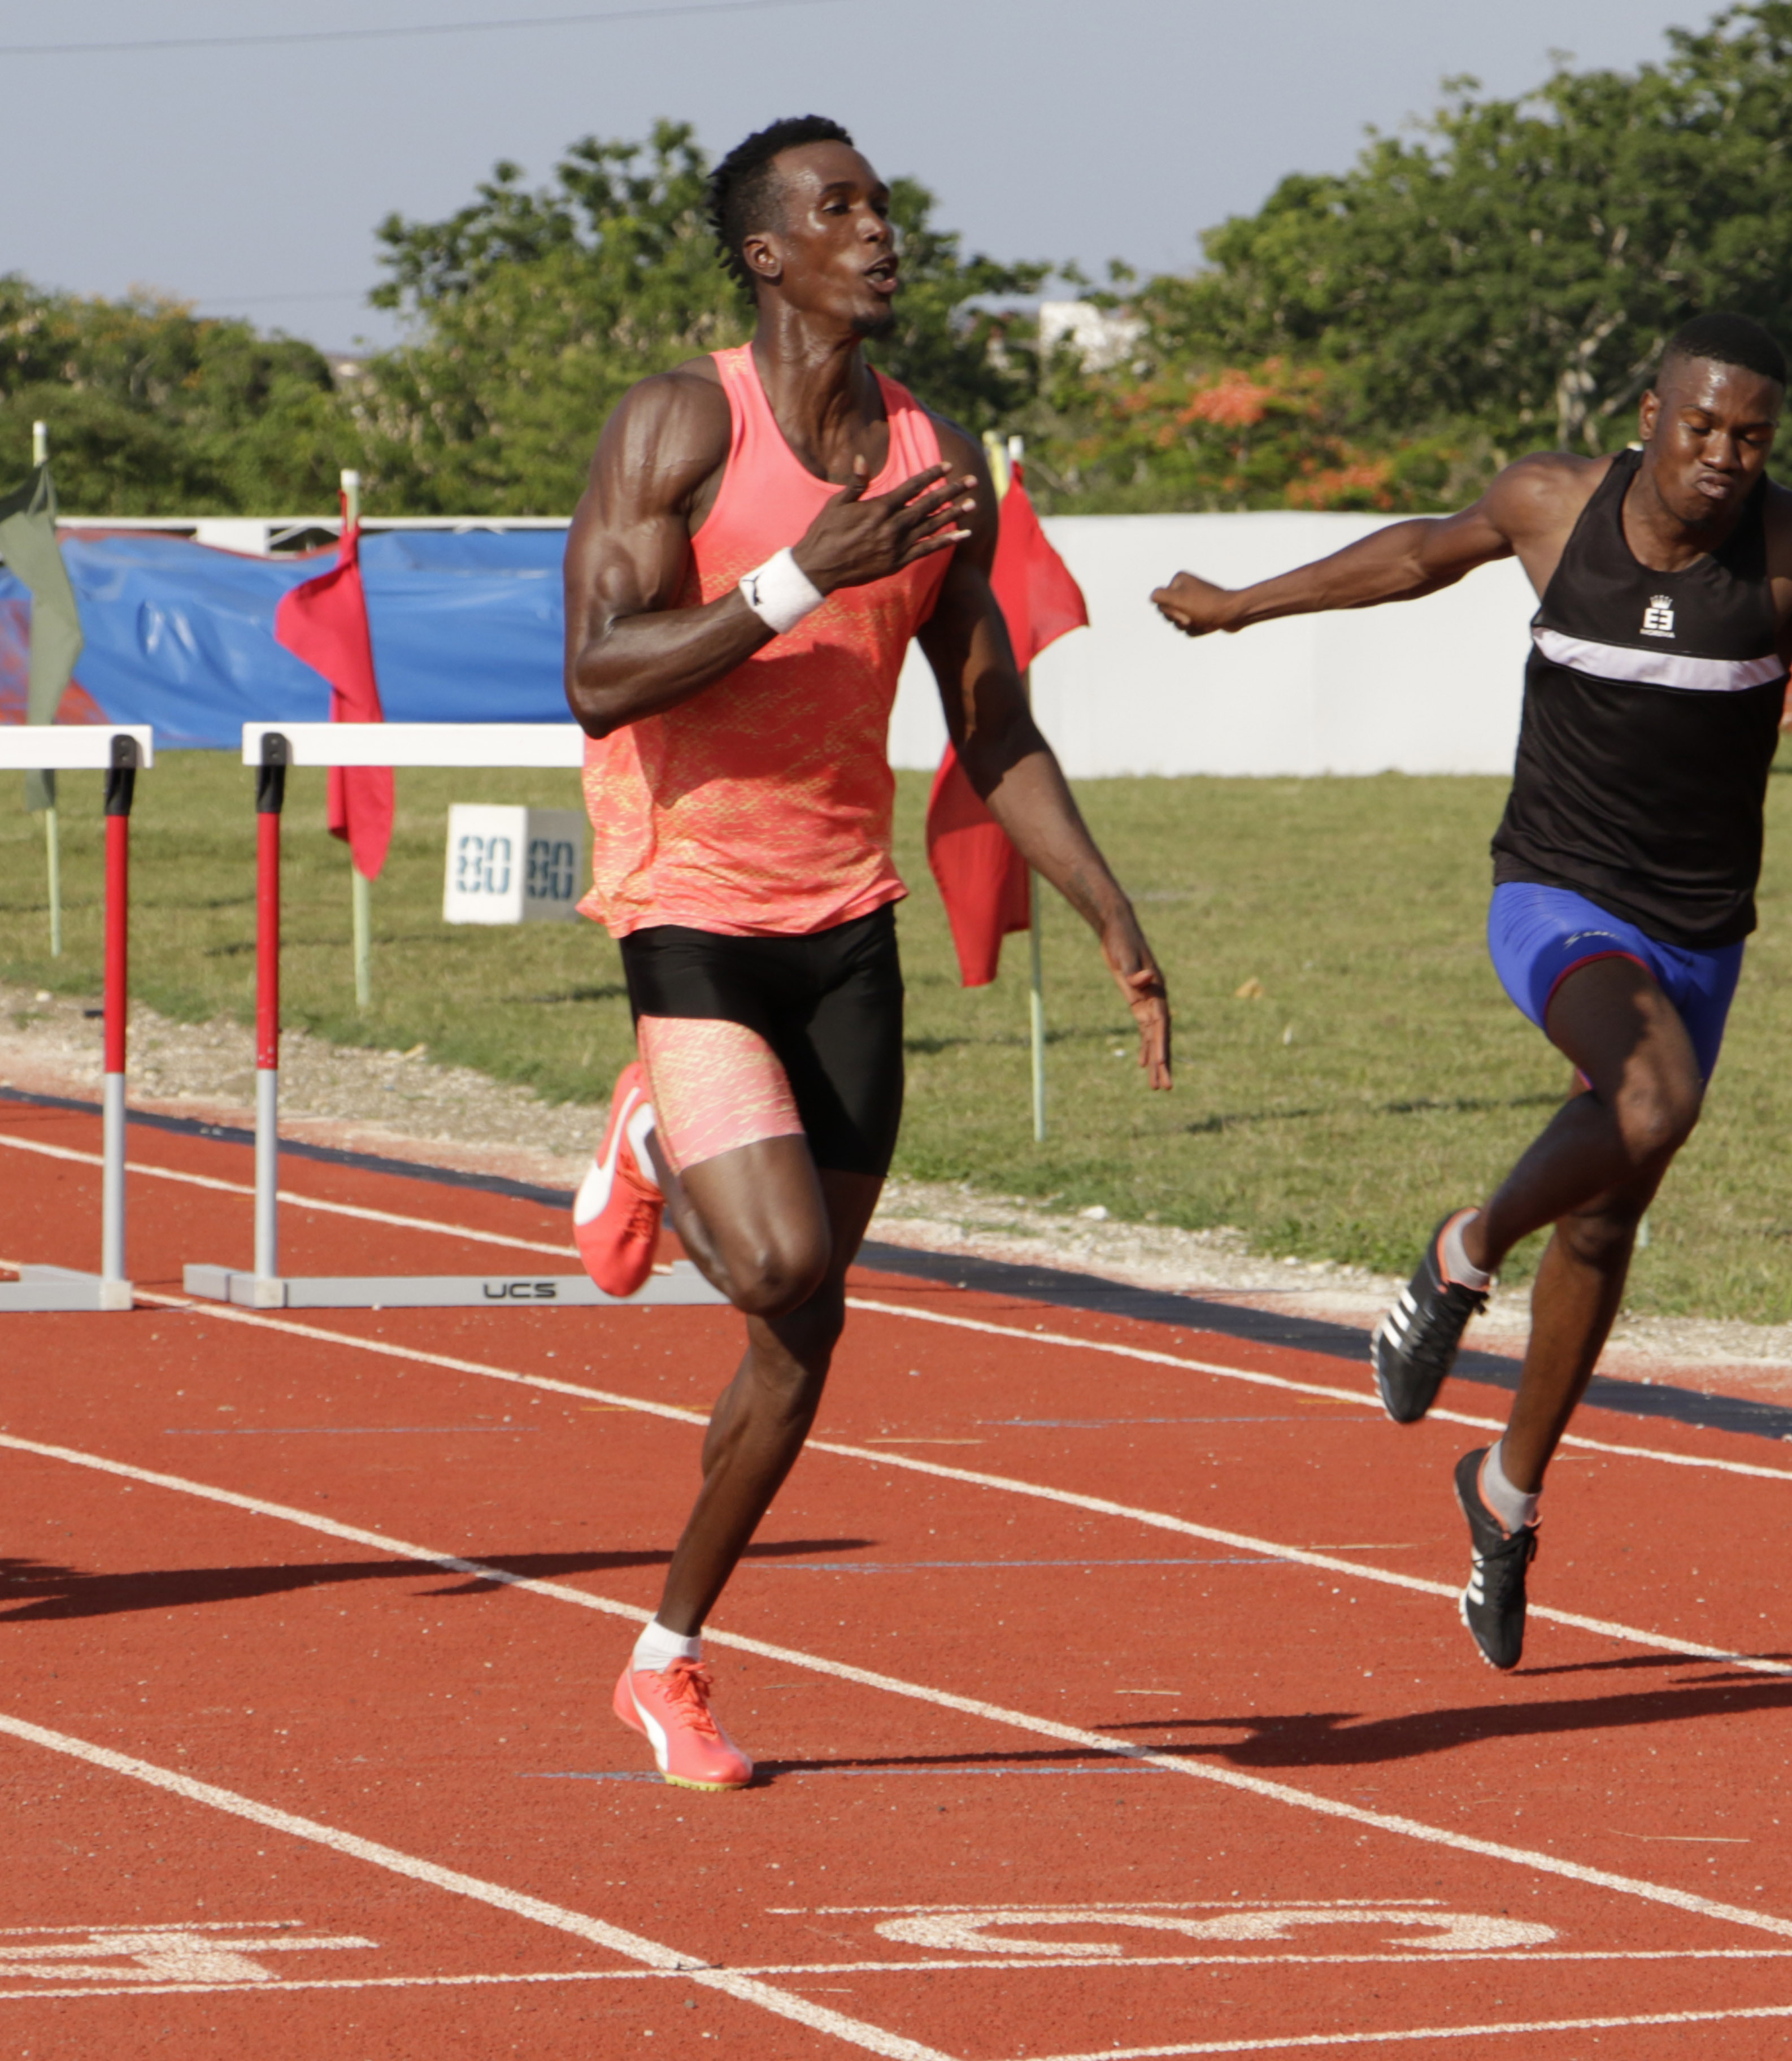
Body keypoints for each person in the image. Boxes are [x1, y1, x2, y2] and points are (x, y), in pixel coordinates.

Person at [1151, 312, 1792, 1669]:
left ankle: (1504, 1496)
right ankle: (1461, 1251)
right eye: (1703, 426)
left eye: (1753, 436)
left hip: (1701, 932)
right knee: (1651, 1093)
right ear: (1648, 413)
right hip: (1555, 896)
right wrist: (1239, 604)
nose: (1727, 456)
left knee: (1610, 1226)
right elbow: (1408, 557)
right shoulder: (1553, 504)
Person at [564, 116, 1174, 1789]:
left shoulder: (934, 457)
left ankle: (666, 1664)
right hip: (687, 890)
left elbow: (993, 726)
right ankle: (646, 1128)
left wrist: (1112, 907)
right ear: (768, 254)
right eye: (840, 209)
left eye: (884, 203)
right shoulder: (679, 421)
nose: (881, 230)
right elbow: (599, 675)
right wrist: (786, 581)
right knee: (770, 1263)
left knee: (804, 1323)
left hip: (844, 915)